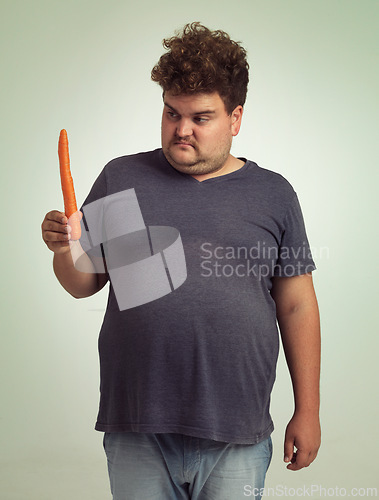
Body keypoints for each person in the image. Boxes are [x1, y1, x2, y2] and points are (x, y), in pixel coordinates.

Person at [41, 22, 321, 500]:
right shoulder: (123, 176)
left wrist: (308, 410)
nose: (181, 130)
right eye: (172, 113)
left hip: (237, 428)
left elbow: (296, 305)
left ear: (235, 118)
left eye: (201, 117)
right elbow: (82, 283)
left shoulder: (273, 193)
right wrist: (66, 250)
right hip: (138, 425)